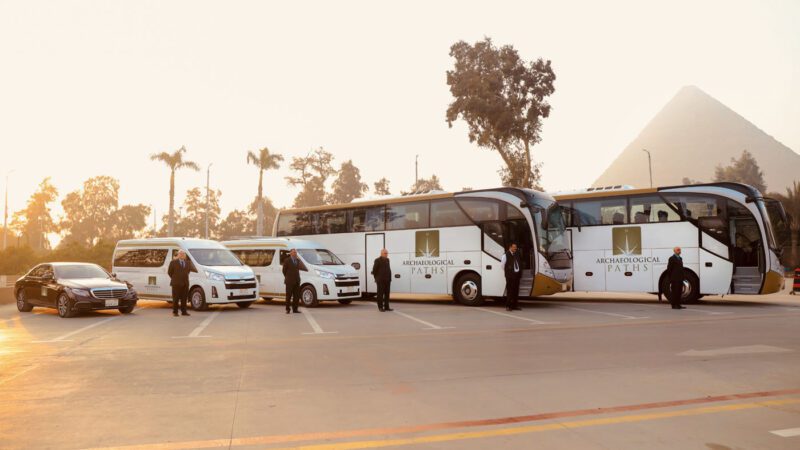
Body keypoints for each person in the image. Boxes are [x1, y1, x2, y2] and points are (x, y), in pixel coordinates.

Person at [167, 250, 192, 317]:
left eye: (183, 254)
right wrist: (176, 278)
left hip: (185, 283)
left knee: (184, 298)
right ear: (178, 255)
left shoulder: (188, 263)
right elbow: (170, 272)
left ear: (185, 255)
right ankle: (175, 312)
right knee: (176, 299)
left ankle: (184, 312)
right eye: (180, 254)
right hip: (176, 284)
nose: (182, 255)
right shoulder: (173, 262)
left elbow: (188, 272)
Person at [501, 243, 522, 311]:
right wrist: (508, 272)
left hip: (517, 275)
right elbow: (502, 265)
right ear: (510, 247)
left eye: (516, 247)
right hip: (510, 276)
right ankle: (508, 306)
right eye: (514, 247)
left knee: (516, 291)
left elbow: (519, 263)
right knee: (510, 291)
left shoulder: (516, 254)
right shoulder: (505, 255)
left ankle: (515, 305)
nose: (515, 248)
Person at [282, 249, 303, 314]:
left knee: (296, 296)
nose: (295, 254)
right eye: (294, 252)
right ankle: (287, 309)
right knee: (288, 296)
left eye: (296, 252)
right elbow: (284, 271)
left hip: (297, 281)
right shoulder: (287, 260)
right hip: (289, 282)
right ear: (290, 253)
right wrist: (288, 277)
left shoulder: (297, 260)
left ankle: (295, 309)